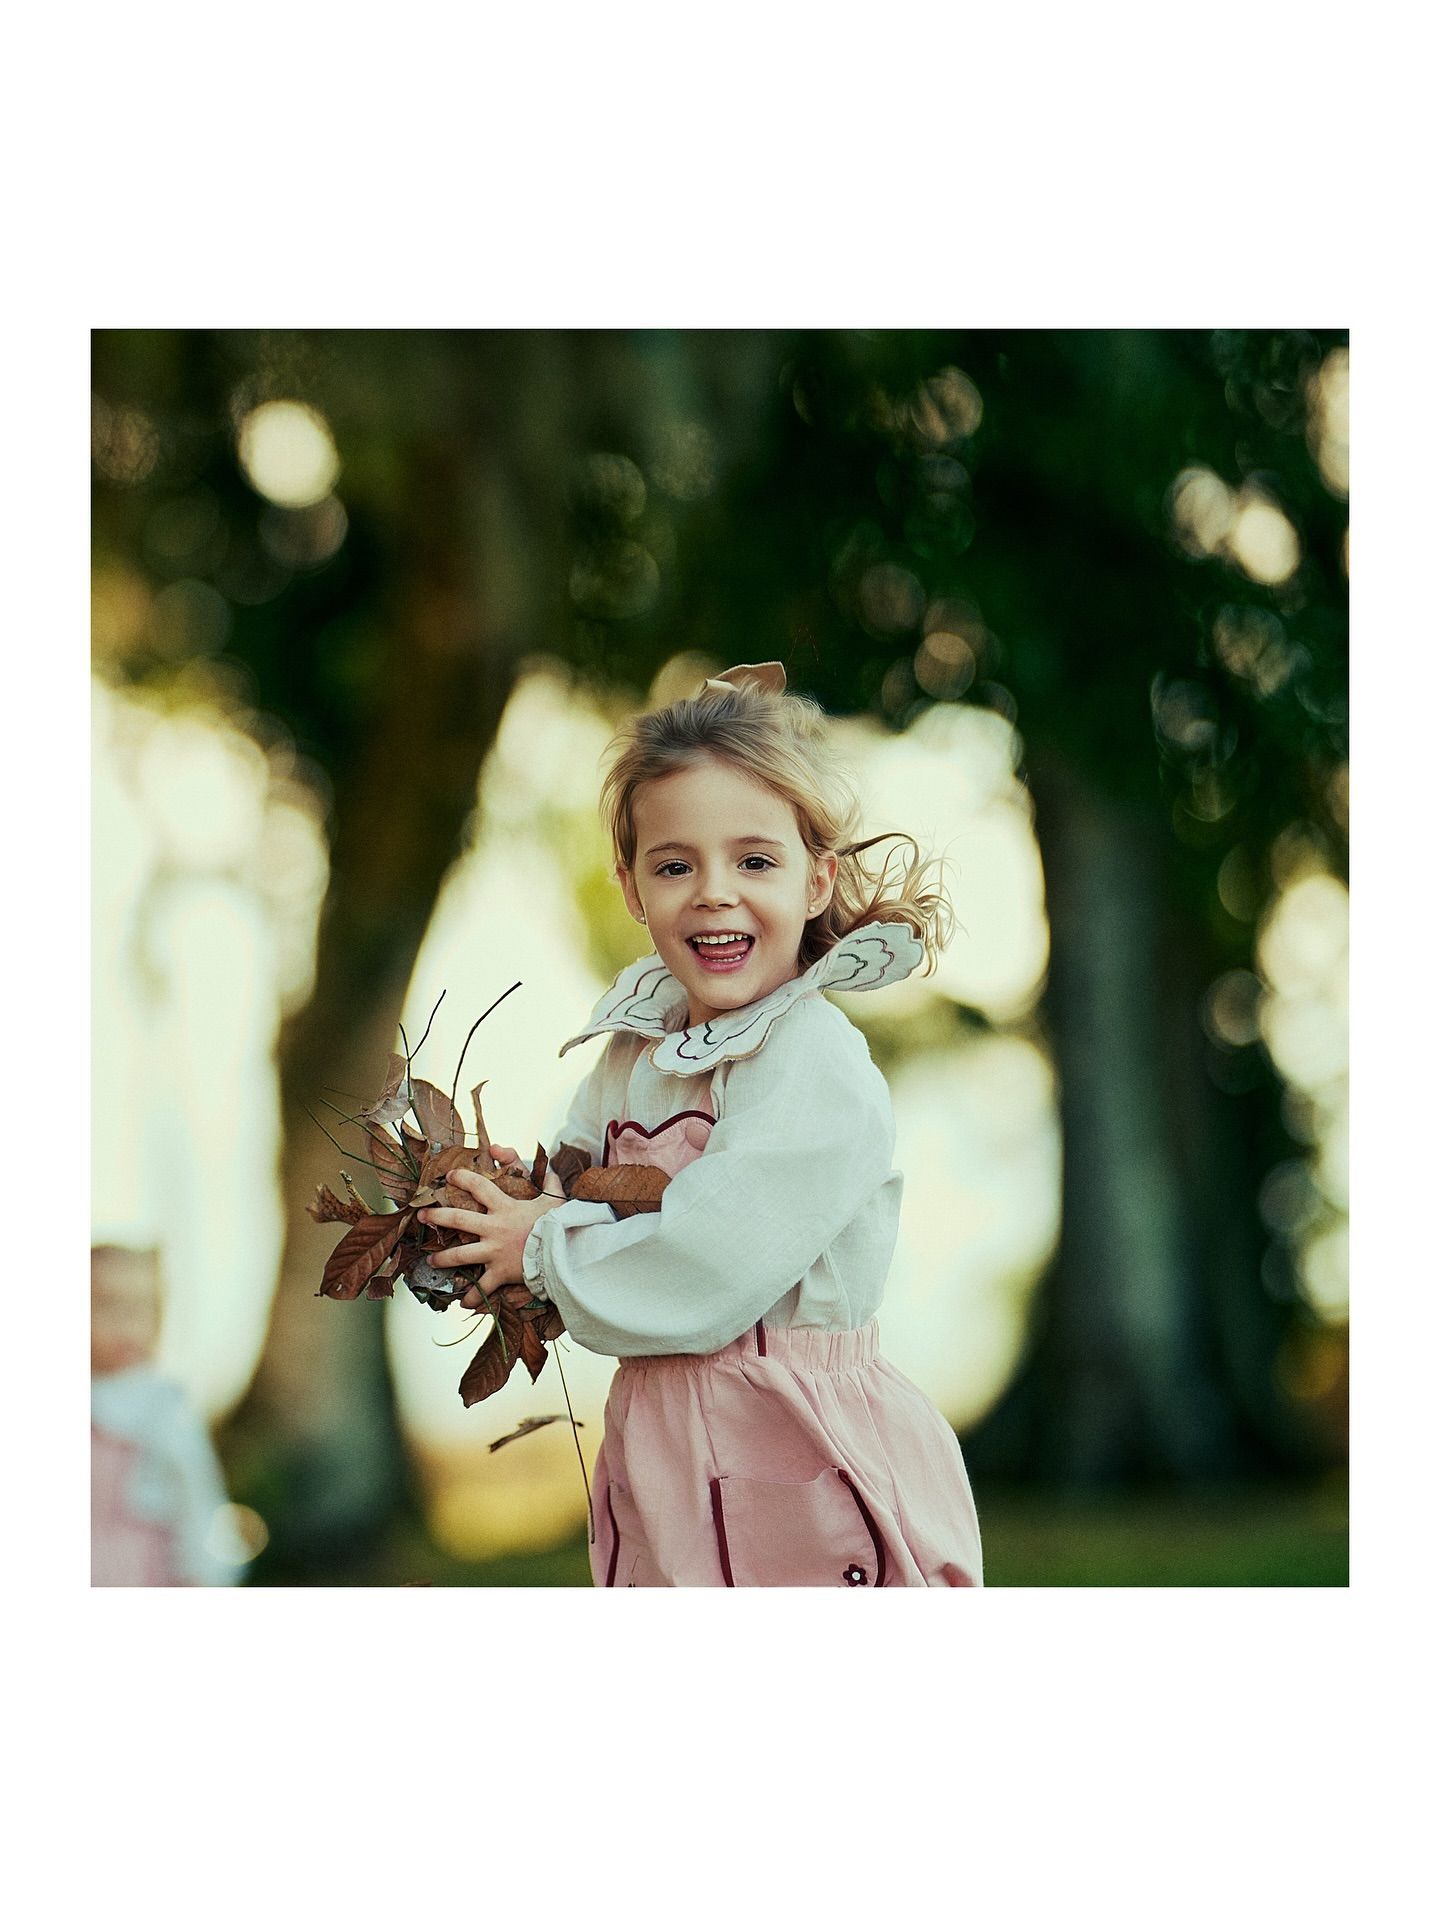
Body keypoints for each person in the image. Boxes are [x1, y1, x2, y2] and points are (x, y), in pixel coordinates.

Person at [417, 660, 984, 1587]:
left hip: (797, 1443)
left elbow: (715, 1258)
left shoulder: (814, 1063)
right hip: (666, 1443)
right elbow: (578, 1184)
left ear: (815, 881)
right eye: (675, 865)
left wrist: (546, 1254)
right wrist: (510, 1213)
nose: (713, 892)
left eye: (755, 861)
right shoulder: (634, 1052)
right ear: (634, 891)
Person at [91, 1243, 244, 1587]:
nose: (127, 1325)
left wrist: (206, 1573)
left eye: (142, 1309)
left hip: (141, 1572)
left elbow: (196, 1495)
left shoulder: (162, 1409)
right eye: (108, 1307)